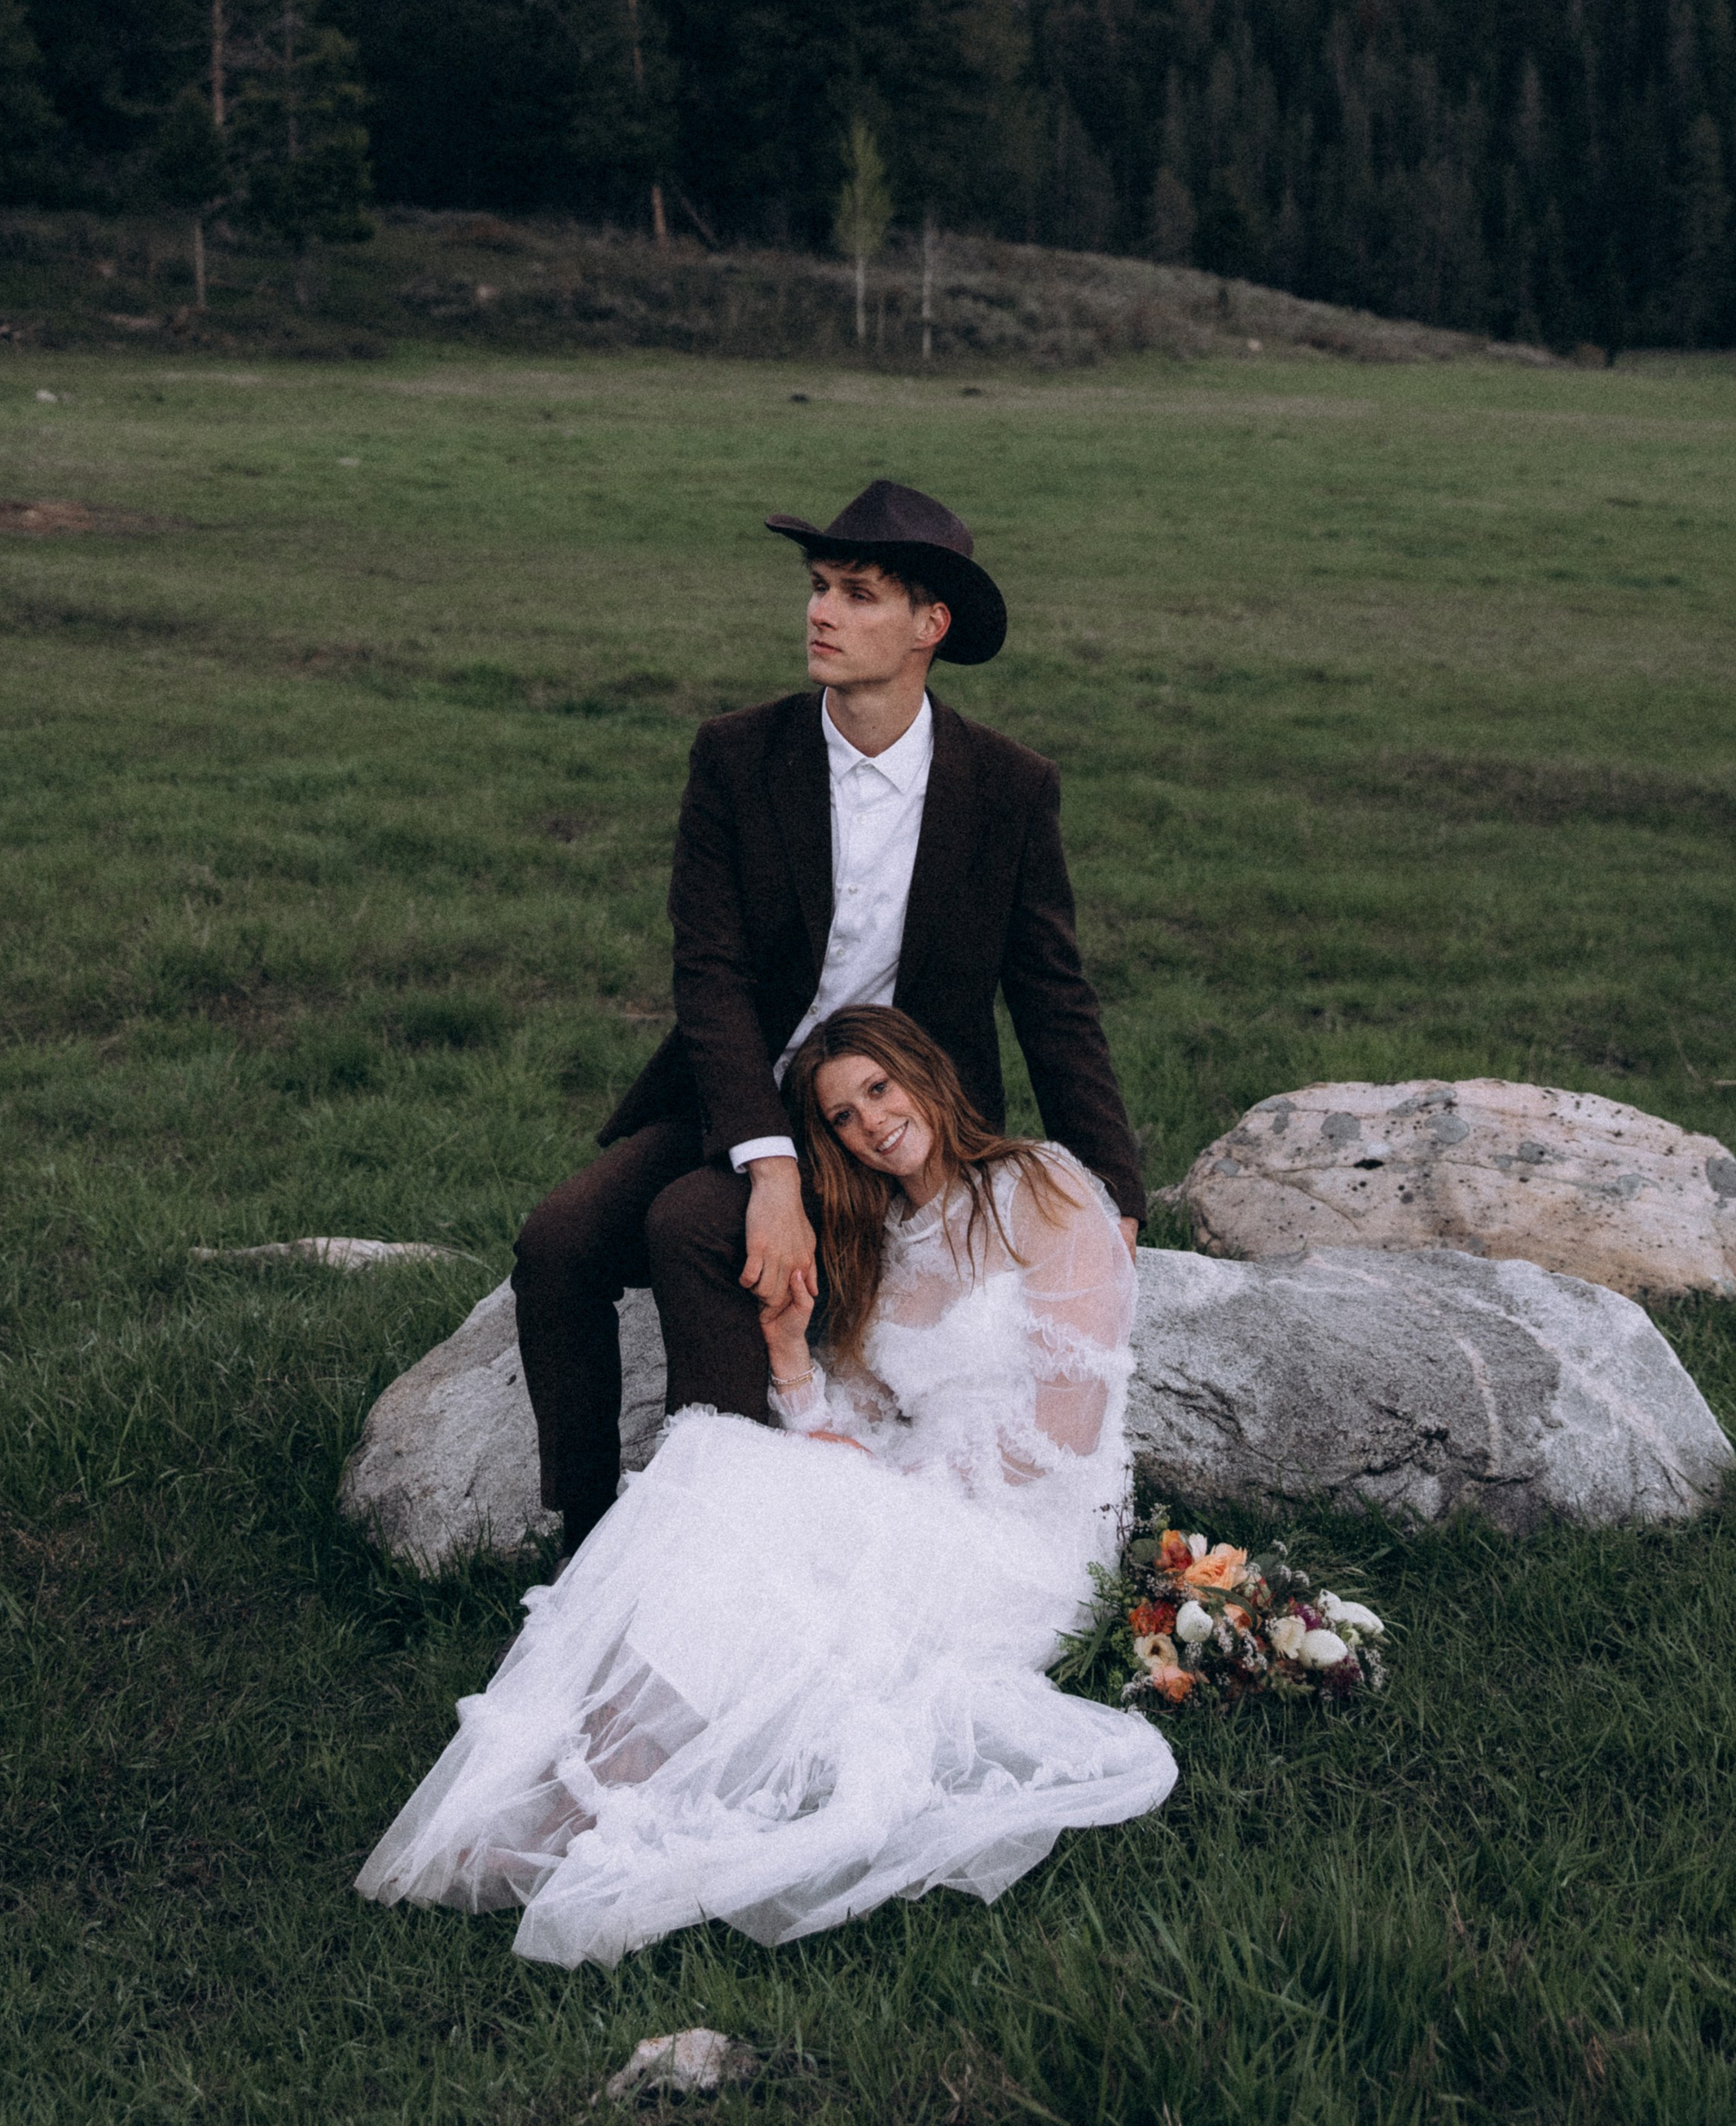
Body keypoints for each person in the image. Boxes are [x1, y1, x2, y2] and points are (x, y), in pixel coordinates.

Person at [357, 1006, 1176, 1965]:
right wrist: (789, 1354)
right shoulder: (886, 1240)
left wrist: (886, 1491)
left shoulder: (1040, 1187)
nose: (870, 1123)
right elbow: (859, 1426)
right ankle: (584, 1783)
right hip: (926, 1503)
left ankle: (584, 1801)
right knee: (721, 1462)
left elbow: (1062, 1430)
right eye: (840, 1117)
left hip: (1024, 1534)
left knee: (753, 1493)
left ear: (926, 1077)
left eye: (879, 1089)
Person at [512, 478, 1146, 1555]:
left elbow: (1051, 992)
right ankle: (586, 1532)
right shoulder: (738, 756)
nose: (821, 612)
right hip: (747, 1088)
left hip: (890, 1117)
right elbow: (707, 972)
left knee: (691, 1230)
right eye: (819, 588)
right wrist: (768, 1167)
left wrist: (1113, 1190)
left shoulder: (1006, 789)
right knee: (561, 1239)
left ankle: (727, 1538)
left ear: (928, 627)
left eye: (858, 594)